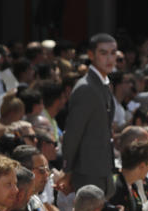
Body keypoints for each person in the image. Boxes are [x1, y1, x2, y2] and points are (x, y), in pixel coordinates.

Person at [62, 33, 117, 197]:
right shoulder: (86, 87)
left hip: (102, 168)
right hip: (87, 171)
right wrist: (67, 170)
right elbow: (73, 133)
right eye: (103, 53)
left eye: (113, 53)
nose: (109, 58)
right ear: (91, 55)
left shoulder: (102, 84)